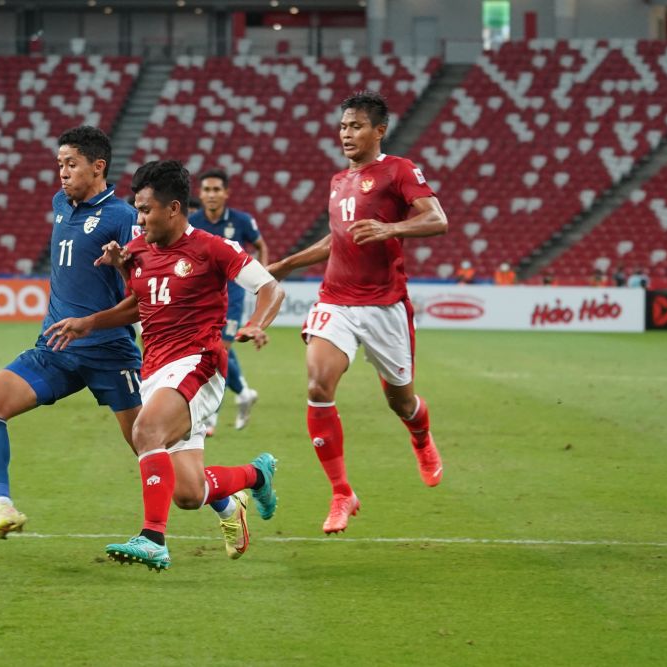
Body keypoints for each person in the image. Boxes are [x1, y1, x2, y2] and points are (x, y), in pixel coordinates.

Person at [47, 160, 286, 571]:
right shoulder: (137, 250)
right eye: (137, 210)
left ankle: (153, 538)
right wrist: (90, 321)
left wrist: (255, 324)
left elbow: (270, 287)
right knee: (189, 493)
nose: (138, 219)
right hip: (156, 368)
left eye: (145, 210)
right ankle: (256, 475)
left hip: (200, 363)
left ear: (173, 209)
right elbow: (140, 305)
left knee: (146, 430)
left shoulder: (212, 248)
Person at [266, 91, 448, 534]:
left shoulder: (399, 170)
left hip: (385, 305)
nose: (346, 134)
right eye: (344, 126)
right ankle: (342, 492)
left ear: (378, 130)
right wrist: (286, 265)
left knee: (400, 400)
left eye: (356, 126)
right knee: (317, 382)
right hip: (336, 301)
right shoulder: (338, 180)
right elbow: (338, 240)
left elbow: (437, 218)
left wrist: (393, 227)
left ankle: (420, 435)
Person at [189, 168, 269, 435]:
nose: (211, 195)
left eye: (216, 190)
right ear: (200, 194)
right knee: (215, 351)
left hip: (232, 298)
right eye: (207, 190)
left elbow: (260, 245)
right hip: (203, 297)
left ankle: (210, 416)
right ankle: (244, 391)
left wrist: (262, 276)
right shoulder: (194, 221)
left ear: (226, 193)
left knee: (219, 350)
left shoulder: (242, 220)